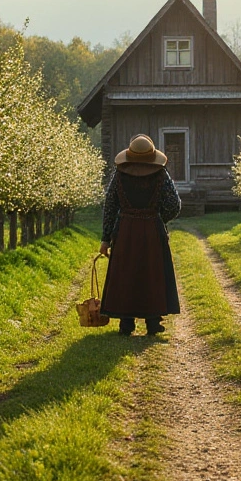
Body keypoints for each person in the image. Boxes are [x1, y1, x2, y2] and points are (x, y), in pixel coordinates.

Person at [99, 134, 182, 336]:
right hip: (152, 228)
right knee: (151, 273)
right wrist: (158, 217)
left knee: (126, 273)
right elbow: (174, 205)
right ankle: (153, 322)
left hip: (126, 229)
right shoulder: (161, 175)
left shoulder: (120, 175)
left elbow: (110, 206)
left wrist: (106, 238)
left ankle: (126, 324)